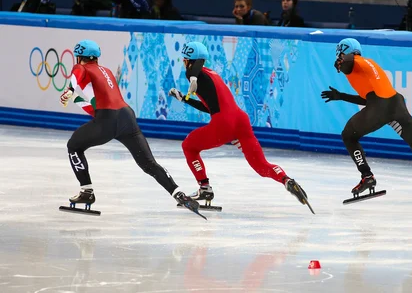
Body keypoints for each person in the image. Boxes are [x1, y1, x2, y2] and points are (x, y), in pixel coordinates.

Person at [320, 38, 412, 206]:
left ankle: (367, 176)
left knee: (348, 136)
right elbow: (367, 99)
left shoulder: (358, 61)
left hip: (380, 108)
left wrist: (343, 60)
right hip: (396, 107)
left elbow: (350, 61)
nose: (339, 62)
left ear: (344, 52)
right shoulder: (366, 67)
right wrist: (341, 96)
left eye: (340, 56)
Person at [59, 39, 201, 216]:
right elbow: (98, 107)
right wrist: (75, 98)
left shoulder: (82, 68)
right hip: (126, 117)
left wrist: (71, 89)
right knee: (149, 164)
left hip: (108, 120)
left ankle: (86, 191)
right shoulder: (106, 72)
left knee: (73, 146)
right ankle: (178, 193)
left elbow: (78, 72)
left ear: (80, 57)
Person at [167, 41, 311, 211]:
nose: (184, 63)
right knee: (261, 165)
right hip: (240, 120)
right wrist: (184, 98)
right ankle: (286, 180)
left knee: (189, 146)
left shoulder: (195, 73)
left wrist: (191, 76)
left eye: (185, 59)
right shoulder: (212, 75)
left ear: (190, 60)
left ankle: (204, 188)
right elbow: (208, 107)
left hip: (224, 123)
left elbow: (194, 67)